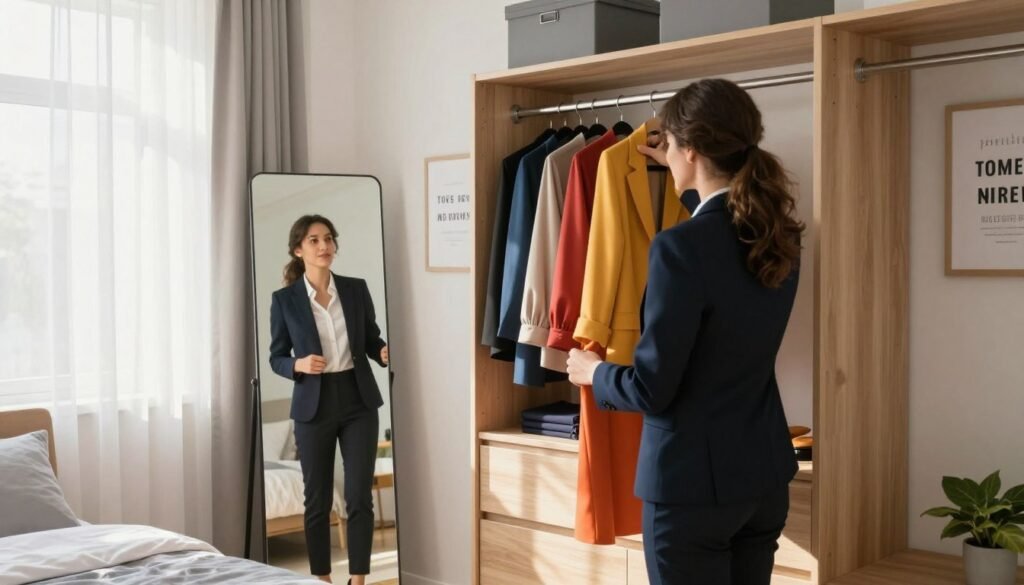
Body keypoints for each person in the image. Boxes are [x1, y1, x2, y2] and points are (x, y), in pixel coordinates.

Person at [566, 78, 805, 585]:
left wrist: (594, 372)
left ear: (692, 149)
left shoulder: (680, 247)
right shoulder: (778, 238)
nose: (666, 156)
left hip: (691, 489)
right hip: (761, 479)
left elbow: (653, 387)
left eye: (670, 145)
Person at [269, 214, 389, 585]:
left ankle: (358, 579)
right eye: (314, 240)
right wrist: (299, 364)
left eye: (328, 239)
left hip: (358, 401)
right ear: (298, 249)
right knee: (317, 501)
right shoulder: (285, 300)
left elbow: (370, 338)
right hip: (313, 405)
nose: (324, 246)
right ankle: (321, 578)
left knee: (358, 497)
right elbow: (276, 357)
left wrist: (383, 351)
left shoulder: (355, 289)